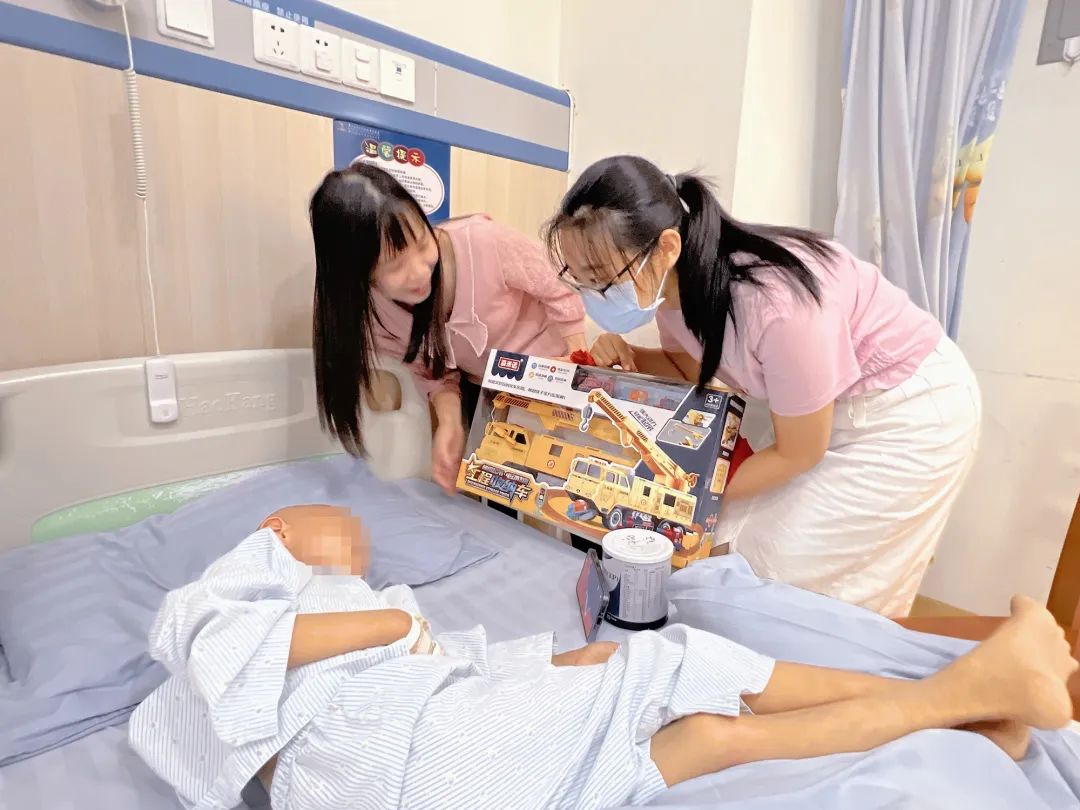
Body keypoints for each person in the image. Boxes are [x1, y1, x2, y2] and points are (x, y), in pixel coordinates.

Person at [130, 503, 1077, 810]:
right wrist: (385, 626)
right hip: (400, 758)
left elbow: (448, 677)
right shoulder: (232, 584)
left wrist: (568, 668)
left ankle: (970, 713)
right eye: (339, 531)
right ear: (278, 526)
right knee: (672, 664)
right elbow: (248, 661)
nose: (358, 548)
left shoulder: (355, 602)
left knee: (698, 737)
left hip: (412, 767)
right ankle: (969, 689)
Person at [544, 155, 982, 616]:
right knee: (725, 542)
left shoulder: (776, 306)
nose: (594, 296)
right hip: (827, 407)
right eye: (582, 280)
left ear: (666, 247)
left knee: (785, 571)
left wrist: (683, 494)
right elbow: (687, 366)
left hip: (910, 412)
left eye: (601, 278)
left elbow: (799, 452)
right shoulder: (673, 288)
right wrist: (625, 357)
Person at [309, 163, 587, 494]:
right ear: (360, 278)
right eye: (395, 266)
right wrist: (450, 423)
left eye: (422, 244)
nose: (418, 272)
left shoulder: (484, 242)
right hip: (493, 393)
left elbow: (563, 289)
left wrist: (577, 364)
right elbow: (435, 373)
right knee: (506, 492)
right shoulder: (378, 315)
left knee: (561, 486)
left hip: (555, 374)